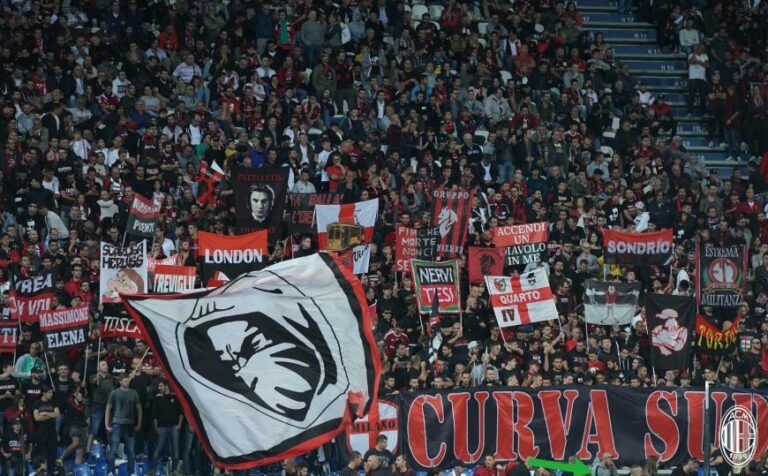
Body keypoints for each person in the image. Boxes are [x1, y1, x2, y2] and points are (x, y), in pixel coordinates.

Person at [105, 374, 142, 475]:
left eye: (128, 381)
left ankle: (131, 472)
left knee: (131, 451)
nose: (127, 382)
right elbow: (108, 408)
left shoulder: (134, 393)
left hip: (130, 424)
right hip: (117, 423)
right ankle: (110, 471)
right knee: (113, 449)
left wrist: (139, 423)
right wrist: (106, 424)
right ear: (120, 381)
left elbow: (139, 408)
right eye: (125, 381)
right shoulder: (114, 392)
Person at [151, 380, 183, 475]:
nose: (159, 388)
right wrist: (156, 427)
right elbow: (154, 414)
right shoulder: (158, 398)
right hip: (162, 427)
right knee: (158, 448)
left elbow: (181, 412)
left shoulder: (175, 397)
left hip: (174, 427)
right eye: (159, 386)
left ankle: (175, 470)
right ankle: (153, 470)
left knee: (175, 450)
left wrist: (179, 425)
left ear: (166, 386)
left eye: (161, 386)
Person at [31, 386, 59, 474]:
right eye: (49, 393)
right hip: (40, 433)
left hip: (52, 433)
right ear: (44, 393)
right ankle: (40, 474)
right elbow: (37, 418)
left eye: (52, 392)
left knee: (52, 456)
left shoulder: (54, 402)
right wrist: (50, 415)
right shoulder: (37, 403)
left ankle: (51, 473)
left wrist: (45, 413)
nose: (51, 394)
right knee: (40, 455)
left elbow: (57, 414)